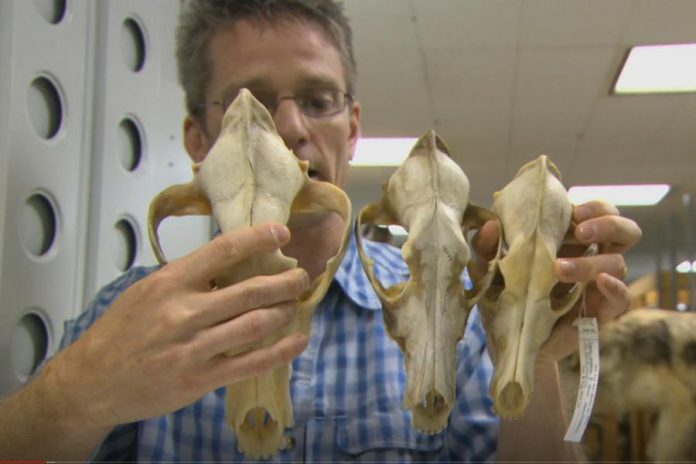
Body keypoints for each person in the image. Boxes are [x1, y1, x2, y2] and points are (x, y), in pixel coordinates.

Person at [0, 0, 641, 461]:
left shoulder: (463, 319)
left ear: (352, 127)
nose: (290, 129)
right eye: (248, 100)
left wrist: (529, 356)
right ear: (198, 139)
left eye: (317, 99)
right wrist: (75, 393)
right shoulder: (126, 319)